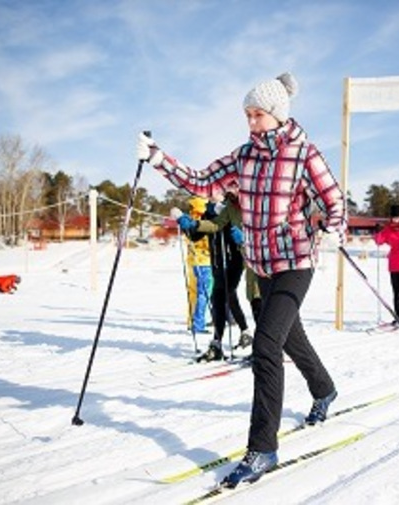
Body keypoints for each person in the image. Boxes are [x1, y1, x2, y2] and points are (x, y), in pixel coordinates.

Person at [137, 72, 345, 488]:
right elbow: (200, 180)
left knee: (267, 345)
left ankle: (262, 448)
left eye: (258, 115)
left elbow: (333, 198)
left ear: (278, 114)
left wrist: (335, 225)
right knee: (290, 337)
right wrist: (160, 159)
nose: (251, 123)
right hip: (262, 264)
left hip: (295, 260)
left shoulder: (303, 153)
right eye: (247, 115)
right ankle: (324, 389)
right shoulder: (244, 156)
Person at [177, 192, 255, 361]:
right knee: (218, 298)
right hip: (217, 262)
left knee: (226, 293)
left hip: (234, 260)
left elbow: (237, 229)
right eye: (209, 194)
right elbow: (195, 236)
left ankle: (240, 333)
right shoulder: (209, 212)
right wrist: (185, 225)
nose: (211, 196)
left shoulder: (231, 208)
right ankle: (220, 342)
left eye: (214, 193)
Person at [181, 197, 213, 334]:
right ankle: (198, 324)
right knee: (204, 293)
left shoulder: (188, 219)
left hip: (192, 262)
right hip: (205, 262)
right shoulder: (204, 220)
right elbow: (207, 242)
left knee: (193, 293)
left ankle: (191, 321)